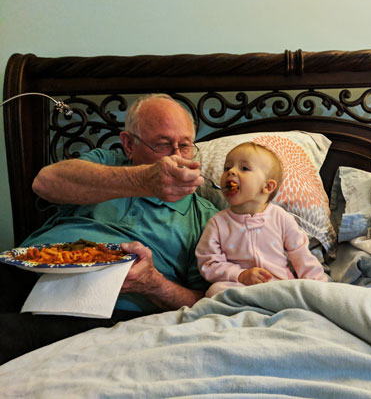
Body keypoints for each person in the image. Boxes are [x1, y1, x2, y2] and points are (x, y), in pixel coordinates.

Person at [0, 93, 218, 364]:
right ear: (128, 144)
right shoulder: (106, 162)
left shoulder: (207, 218)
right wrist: (142, 181)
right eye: (162, 144)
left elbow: (208, 304)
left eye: (185, 145)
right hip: (24, 273)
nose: (176, 156)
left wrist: (154, 285)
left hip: (102, 310)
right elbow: (44, 183)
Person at [195, 142, 327, 297]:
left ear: (268, 187)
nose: (231, 172)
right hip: (239, 286)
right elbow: (208, 263)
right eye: (227, 168)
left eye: (244, 168)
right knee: (213, 292)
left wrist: (319, 288)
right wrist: (240, 275)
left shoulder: (281, 218)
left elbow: (301, 256)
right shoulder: (217, 223)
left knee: (298, 290)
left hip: (278, 284)